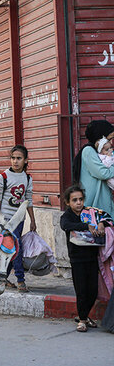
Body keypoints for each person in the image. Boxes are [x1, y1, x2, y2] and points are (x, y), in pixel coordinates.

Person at [59, 185, 109, 333]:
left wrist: (100, 223)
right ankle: (82, 320)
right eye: (74, 200)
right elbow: (65, 225)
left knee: (93, 290)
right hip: (77, 259)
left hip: (92, 258)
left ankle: (85, 316)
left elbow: (107, 217)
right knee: (81, 291)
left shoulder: (91, 213)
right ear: (68, 203)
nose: (79, 203)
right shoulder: (67, 216)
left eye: (81, 199)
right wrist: (86, 226)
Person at [0, 145, 37, 292]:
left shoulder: (27, 178)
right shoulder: (3, 177)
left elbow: (28, 200)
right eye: (13, 158)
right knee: (17, 247)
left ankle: (2, 278)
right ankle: (20, 280)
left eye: (19, 158)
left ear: (25, 160)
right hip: (5, 220)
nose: (15, 161)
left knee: (12, 249)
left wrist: (32, 220)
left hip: (19, 220)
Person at [72, 119, 114, 217]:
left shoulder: (100, 152)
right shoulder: (88, 151)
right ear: (101, 137)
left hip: (103, 198)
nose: (110, 142)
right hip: (94, 201)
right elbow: (103, 173)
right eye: (109, 138)